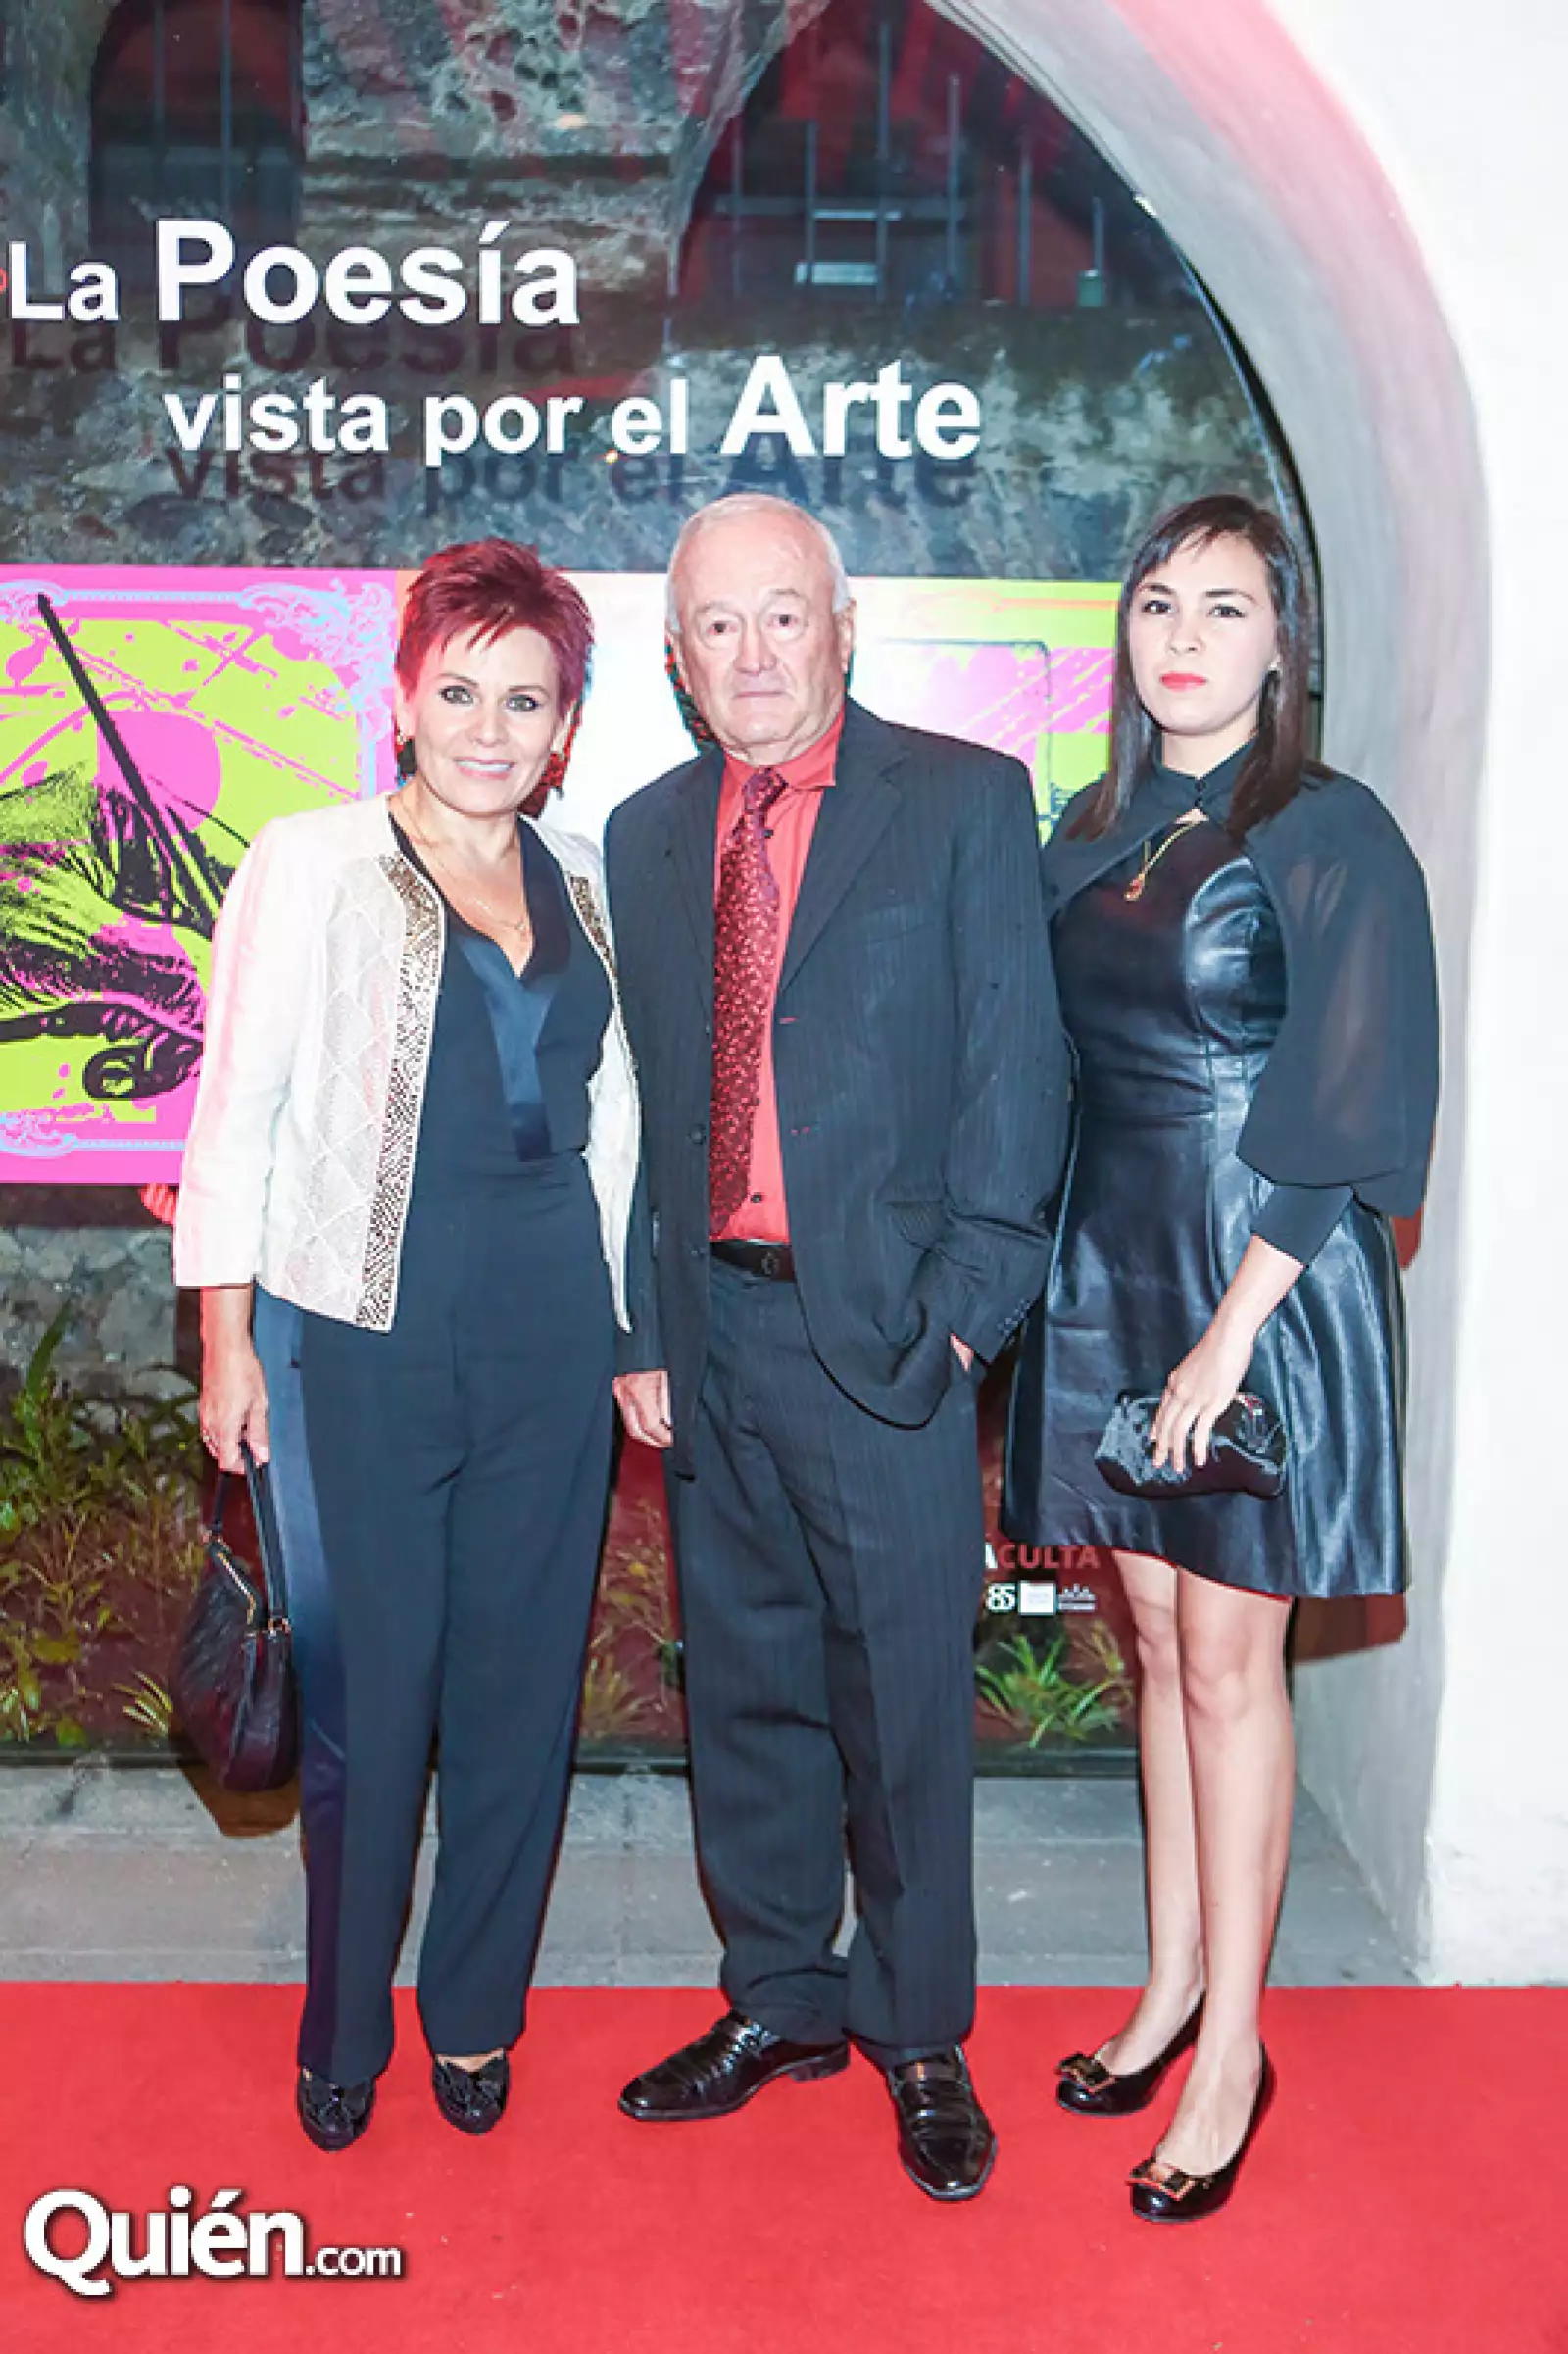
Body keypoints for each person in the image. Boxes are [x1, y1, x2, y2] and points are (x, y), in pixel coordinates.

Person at [607, 492, 1067, 2201]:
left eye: (783, 614)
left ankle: (920, 2030)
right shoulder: (646, 835)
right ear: (677, 656)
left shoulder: (961, 801)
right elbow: (648, 1108)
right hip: (711, 1333)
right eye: (717, 625)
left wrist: (959, 1325)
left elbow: (1018, 1078)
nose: (753, 653)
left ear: (844, 626)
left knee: (904, 1706)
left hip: (885, 1339)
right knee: (745, 1690)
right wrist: (647, 1323)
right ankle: (780, 1998)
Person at [1004, 494, 1439, 2223]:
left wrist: (1229, 1333)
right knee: (1164, 1644)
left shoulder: (1330, 829)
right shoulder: (1088, 822)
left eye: (1226, 607)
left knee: (1234, 1663)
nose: (1183, 637)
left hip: (1264, 1270)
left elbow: (1350, 1094)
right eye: (1158, 603)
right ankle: (1175, 1980)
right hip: (1111, 1256)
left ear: (1283, 643)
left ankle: (1239, 2050)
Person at [172, 539, 639, 2151]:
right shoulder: (309, 861)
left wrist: (630, 1329)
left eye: (526, 699)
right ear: (401, 700)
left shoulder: (588, 874)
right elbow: (236, 1112)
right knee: (372, 1698)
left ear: (565, 724)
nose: (490, 728)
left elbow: (618, 1115)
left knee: (521, 1685)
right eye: (461, 691)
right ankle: (344, 2026)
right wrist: (227, 1338)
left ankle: (478, 2010)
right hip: (357, 1327)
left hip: (551, 1328)